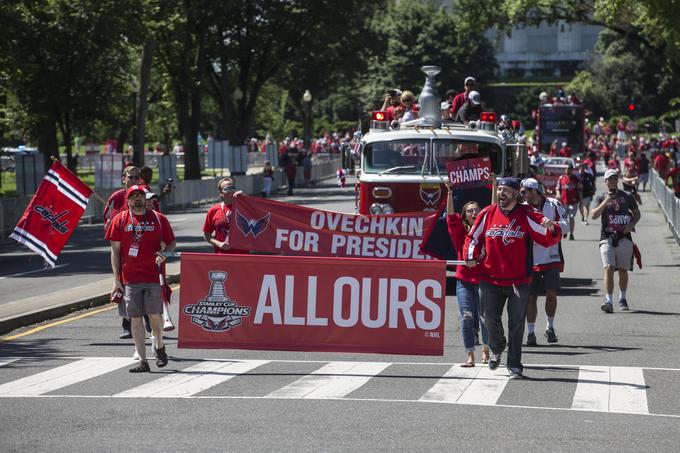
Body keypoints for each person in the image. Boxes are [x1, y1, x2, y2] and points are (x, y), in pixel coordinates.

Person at [464, 177, 562, 378]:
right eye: (499, 189)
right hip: (489, 278)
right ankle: (497, 345)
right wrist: (471, 256)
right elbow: (472, 238)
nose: (501, 193)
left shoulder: (527, 214)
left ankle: (515, 364)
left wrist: (552, 228)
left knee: (516, 324)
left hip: (518, 280)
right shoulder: (487, 213)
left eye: (506, 190)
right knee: (489, 318)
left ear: (516, 193)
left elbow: (545, 236)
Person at [106, 185, 176, 372]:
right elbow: (115, 251)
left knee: (154, 316)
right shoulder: (119, 220)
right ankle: (142, 361)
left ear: (145, 199)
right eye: (133, 196)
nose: (138, 199)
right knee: (135, 318)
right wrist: (116, 280)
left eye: (141, 196)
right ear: (127, 200)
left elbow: (171, 243)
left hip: (153, 276)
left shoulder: (159, 219)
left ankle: (159, 346)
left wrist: (165, 253)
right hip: (129, 279)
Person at [444, 177, 497, 367]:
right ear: (465, 215)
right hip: (464, 282)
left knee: (485, 318)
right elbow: (450, 217)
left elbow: (494, 210)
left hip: (483, 280)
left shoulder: (486, 228)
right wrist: (449, 192)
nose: (474, 212)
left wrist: (495, 185)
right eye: (469, 210)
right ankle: (469, 355)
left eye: (476, 209)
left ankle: (486, 349)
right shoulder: (460, 233)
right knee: (467, 317)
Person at [520, 178, 568, 346]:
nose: (523, 195)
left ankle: (550, 326)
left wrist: (553, 226)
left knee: (551, 293)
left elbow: (565, 225)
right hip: (530, 258)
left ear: (535, 191)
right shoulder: (522, 208)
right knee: (531, 296)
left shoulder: (553, 204)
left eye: (525, 191)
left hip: (551, 255)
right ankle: (531, 332)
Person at [591, 169, 641, 313]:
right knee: (608, 267)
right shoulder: (600, 196)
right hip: (606, 237)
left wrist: (631, 225)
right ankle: (608, 300)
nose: (612, 181)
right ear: (605, 181)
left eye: (614, 178)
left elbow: (637, 214)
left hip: (624, 237)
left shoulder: (627, 196)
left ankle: (622, 298)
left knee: (623, 270)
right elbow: (593, 215)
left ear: (617, 180)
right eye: (609, 179)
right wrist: (607, 201)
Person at [203, 177, 248, 254]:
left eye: (232, 188)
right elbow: (207, 235)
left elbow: (259, 211)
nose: (230, 191)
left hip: (242, 255)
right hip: (222, 255)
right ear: (221, 193)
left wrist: (245, 198)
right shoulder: (213, 210)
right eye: (227, 188)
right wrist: (219, 244)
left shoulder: (244, 207)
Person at [556, 164, 580, 240]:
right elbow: (557, 188)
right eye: (566, 169)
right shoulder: (561, 178)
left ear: (572, 170)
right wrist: (558, 194)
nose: (567, 170)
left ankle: (571, 234)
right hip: (563, 202)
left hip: (573, 202)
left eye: (569, 169)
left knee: (572, 217)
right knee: (564, 218)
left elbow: (579, 189)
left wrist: (580, 200)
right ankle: (565, 231)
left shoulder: (576, 179)